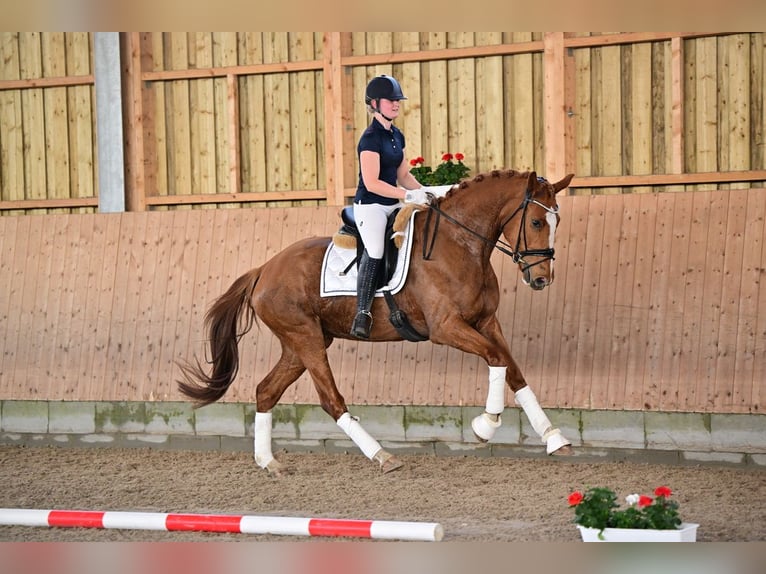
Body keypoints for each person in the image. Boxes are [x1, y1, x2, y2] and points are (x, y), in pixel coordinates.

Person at [350, 74, 429, 339]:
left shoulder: (397, 135)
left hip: (393, 203)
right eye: (391, 100)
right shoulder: (370, 138)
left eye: (398, 100)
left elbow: (404, 175)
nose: (396, 104)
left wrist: (426, 194)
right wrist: (406, 197)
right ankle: (362, 312)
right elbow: (372, 183)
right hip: (370, 206)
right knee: (375, 250)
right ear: (375, 103)